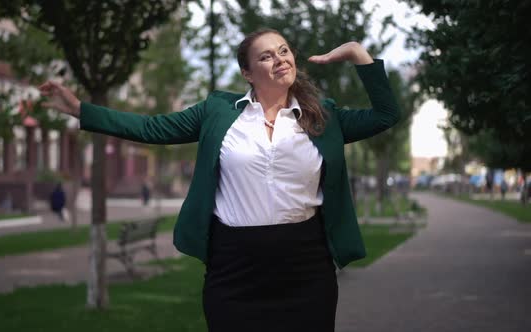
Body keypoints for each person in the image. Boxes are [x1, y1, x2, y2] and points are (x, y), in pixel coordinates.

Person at [39, 28, 399, 332]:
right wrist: (79, 110)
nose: (281, 60)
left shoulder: (324, 117)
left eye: (284, 51)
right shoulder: (218, 111)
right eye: (267, 56)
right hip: (235, 268)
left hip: (305, 267)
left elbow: (385, 114)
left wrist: (357, 54)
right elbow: (150, 128)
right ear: (247, 72)